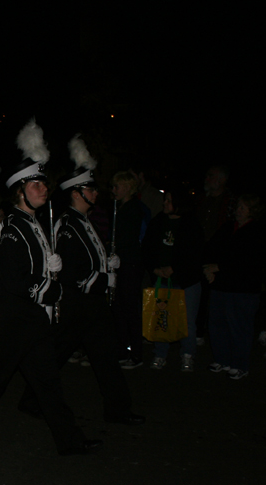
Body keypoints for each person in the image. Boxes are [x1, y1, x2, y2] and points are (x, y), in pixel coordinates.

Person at [0, 120, 102, 455]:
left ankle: (70, 440)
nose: (43, 187)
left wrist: (51, 266)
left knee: (49, 384)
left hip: (30, 322)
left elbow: (31, 269)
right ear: (19, 190)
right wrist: (48, 289)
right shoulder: (12, 228)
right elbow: (13, 279)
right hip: (12, 322)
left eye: (43, 182)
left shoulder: (31, 224)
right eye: (35, 183)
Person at [19, 135, 144, 425]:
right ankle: (30, 399)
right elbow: (71, 273)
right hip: (76, 306)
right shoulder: (66, 225)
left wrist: (108, 265)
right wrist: (103, 280)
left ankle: (118, 410)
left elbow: (91, 260)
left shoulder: (84, 222)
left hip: (93, 308)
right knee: (55, 357)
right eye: (89, 188)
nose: (96, 193)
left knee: (106, 360)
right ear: (76, 193)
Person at [141, 185, 205, 372]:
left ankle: (188, 354)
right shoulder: (158, 221)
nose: (165, 203)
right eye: (165, 200)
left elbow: (195, 254)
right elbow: (148, 248)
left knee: (187, 321)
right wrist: (155, 269)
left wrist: (175, 269)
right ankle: (160, 354)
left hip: (186, 281)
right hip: (162, 280)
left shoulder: (191, 224)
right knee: (162, 317)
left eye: (169, 200)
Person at [202, 194, 266, 379]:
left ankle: (240, 364)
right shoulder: (228, 227)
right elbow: (212, 248)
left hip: (243, 289)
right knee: (217, 324)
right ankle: (222, 359)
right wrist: (209, 268)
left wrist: (220, 267)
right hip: (221, 286)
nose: (238, 211)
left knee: (239, 327)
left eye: (243, 208)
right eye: (238, 207)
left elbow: (249, 260)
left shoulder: (256, 231)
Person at [111, 171, 149, 368]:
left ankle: (135, 353)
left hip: (130, 264)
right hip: (121, 263)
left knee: (129, 308)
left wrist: (116, 251)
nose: (114, 190)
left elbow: (128, 239)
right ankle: (123, 348)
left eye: (117, 186)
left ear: (127, 187)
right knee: (119, 308)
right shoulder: (120, 207)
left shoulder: (133, 209)